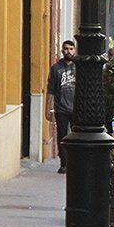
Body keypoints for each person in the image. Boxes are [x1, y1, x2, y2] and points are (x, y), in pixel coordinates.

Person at [47, 40, 76, 173]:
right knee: (62, 136)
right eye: (66, 49)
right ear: (62, 50)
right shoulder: (56, 68)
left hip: (76, 108)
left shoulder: (78, 67)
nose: (68, 51)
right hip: (61, 108)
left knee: (77, 136)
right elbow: (51, 90)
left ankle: (75, 162)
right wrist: (48, 108)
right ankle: (64, 163)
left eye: (71, 49)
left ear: (74, 50)